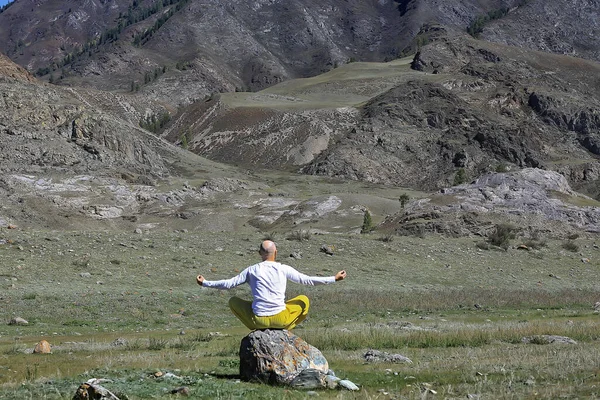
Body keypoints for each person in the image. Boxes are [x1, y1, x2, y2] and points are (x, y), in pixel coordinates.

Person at [196, 240, 346, 330]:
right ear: (276, 252)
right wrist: (334, 278)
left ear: (260, 253)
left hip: (258, 320)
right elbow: (307, 280)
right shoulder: (283, 268)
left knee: (233, 301)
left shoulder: (252, 270)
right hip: (281, 318)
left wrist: (205, 283)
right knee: (304, 300)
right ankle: (286, 328)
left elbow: (228, 284)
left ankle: (257, 329)